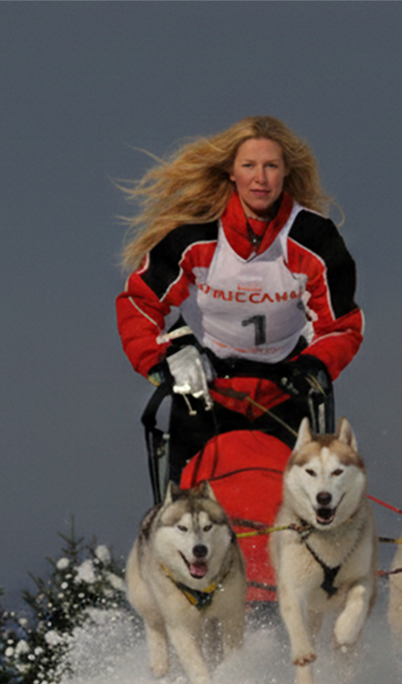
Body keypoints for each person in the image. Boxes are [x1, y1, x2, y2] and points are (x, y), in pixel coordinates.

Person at [117, 116, 363, 486]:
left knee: (296, 504)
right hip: (205, 388)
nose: (260, 179)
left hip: (285, 391)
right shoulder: (195, 235)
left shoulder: (314, 238)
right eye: (249, 166)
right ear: (231, 172)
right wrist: (162, 360)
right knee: (189, 508)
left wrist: (314, 366)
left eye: (271, 166)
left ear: (286, 171)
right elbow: (139, 301)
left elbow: (341, 325)